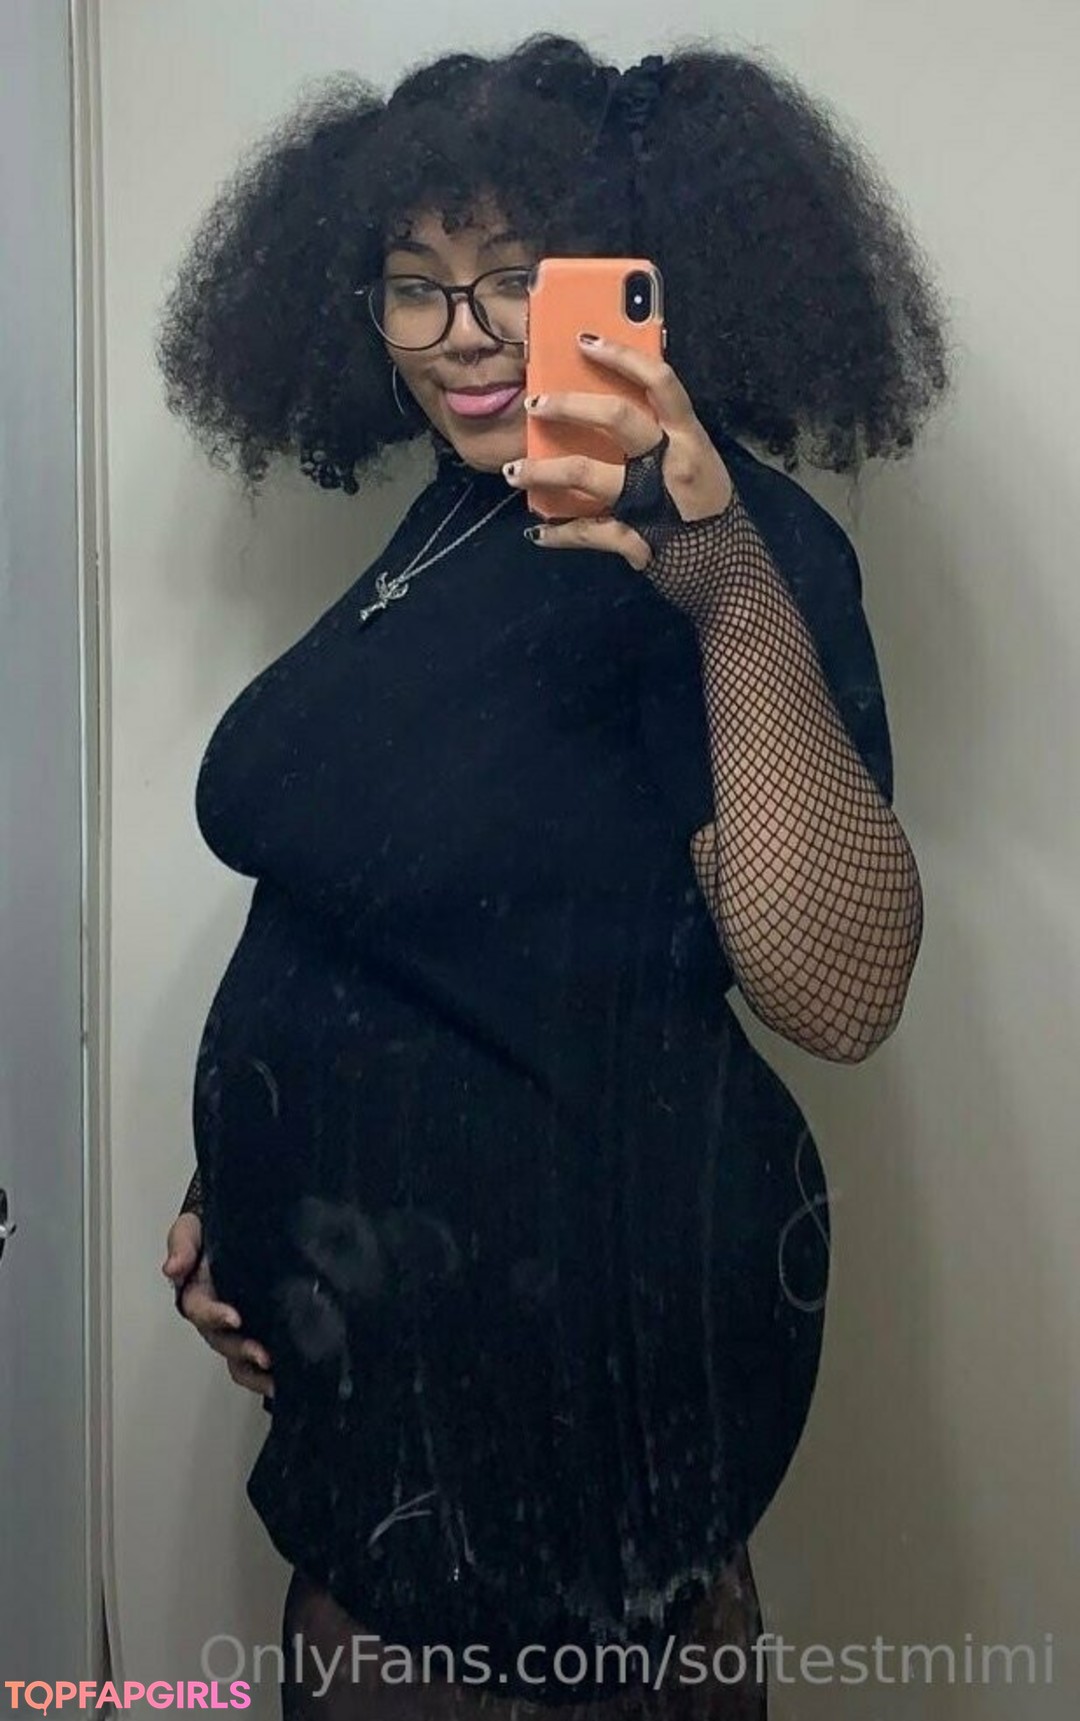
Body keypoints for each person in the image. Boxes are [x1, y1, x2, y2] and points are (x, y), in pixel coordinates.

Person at [157, 32, 948, 1720]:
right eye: (415, 285)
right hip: (383, 1455)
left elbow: (841, 985)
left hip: (573, 1491)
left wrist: (721, 583)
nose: (463, 333)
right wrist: (251, 1197)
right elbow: (382, 914)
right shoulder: (453, 513)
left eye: (516, 276)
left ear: (630, 281)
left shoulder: (733, 542)